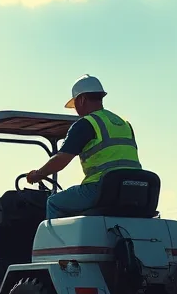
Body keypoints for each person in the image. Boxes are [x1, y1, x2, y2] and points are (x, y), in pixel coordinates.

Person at [26, 74, 142, 219]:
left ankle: (57, 242)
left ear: (81, 100)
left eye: (74, 104)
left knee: (54, 202)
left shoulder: (86, 124)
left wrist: (38, 175)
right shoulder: (124, 124)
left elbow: (61, 159)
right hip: (134, 189)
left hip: (101, 188)